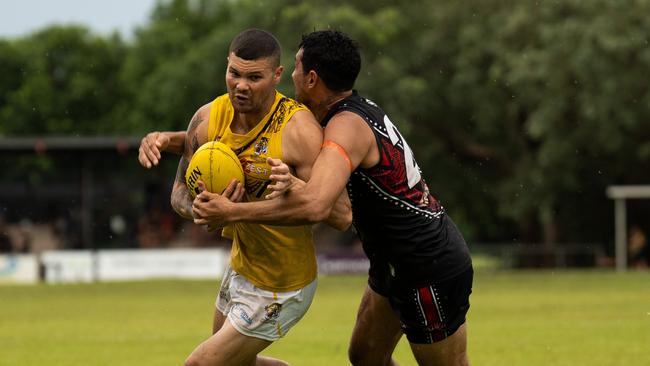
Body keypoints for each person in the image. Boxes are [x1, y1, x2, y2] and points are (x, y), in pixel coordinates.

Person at [190, 30, 474, 366]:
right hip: (393, 262)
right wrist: (174, 140)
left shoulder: (345, 127)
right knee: (366, 356)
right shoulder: (342, 113)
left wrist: (233, 212)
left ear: (311, 78)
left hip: (426, 265)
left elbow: (318, 206)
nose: (290, 74)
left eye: (295, 66)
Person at [139, 28, 351, 366]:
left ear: (277, 75)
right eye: (234, 73)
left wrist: (288, 189)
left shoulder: (298, 129)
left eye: (254, 77)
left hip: (284, 283)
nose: (241, 85)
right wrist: (200, 209)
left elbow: (341, 215)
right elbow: (179, 191)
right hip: (242, 267)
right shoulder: (209, 118)